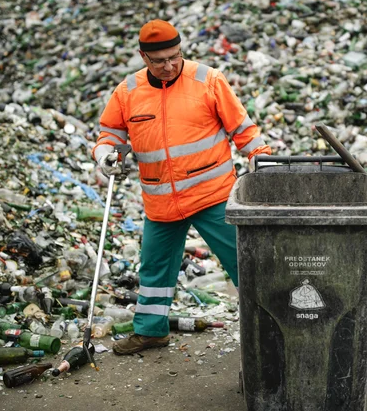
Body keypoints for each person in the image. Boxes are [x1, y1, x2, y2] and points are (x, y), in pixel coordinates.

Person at [92, 19, 271, 355]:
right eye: (159, 60)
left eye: (175, 56)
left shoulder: (208, 80)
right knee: (154, 268)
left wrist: (259, 157)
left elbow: (243, 129)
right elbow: (111, 134)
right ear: (143, 57)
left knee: (244, 260)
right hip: (161, 202)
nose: (169, 65)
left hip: (213, 196)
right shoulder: (127, 92)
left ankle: (268, 324)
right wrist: (105, 154)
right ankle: (151, 332)